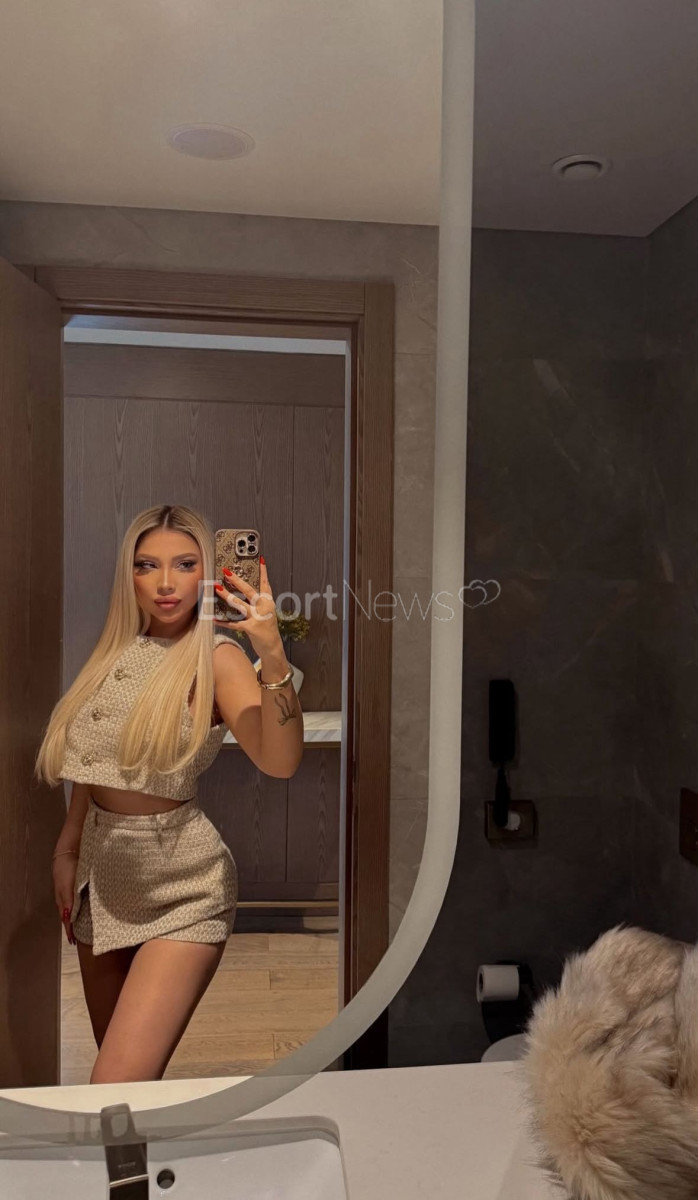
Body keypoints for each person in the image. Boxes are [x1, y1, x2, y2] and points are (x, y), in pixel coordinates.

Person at [35, 504, 303, 1084]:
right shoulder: (112, 653)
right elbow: (92, 763)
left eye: (184, 564)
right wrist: (67, 848)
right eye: (146, 565)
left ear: (208, 572)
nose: (164, 583)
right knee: (124, 1096)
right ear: (127, 575)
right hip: (101, 882)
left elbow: (279, 762)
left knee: (112, 1085)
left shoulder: (219, 658)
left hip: (184, 886)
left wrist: (272, 653)